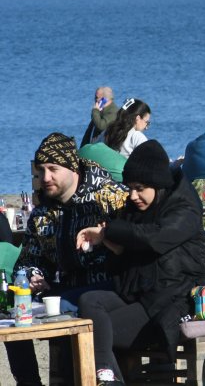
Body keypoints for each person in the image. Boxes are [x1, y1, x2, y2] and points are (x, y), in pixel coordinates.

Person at [76, 140, 205, 386]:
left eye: (139, 188)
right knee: (89, 301)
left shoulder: (184, 209)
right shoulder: (137, 206)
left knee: (90, 334)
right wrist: (114, 249)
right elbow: (125, 259)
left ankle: (108, 379)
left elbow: (154, 238)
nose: (133, 195)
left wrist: (108, 232)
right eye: (129, 188)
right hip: (140, 293)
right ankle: (109, 377)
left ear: (158, 185)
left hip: (173, 299)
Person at [8, 133, 129, 386]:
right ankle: (28, 382)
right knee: (14, 309)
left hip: (108, 289)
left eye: (53, 169)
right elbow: (26, 260)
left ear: (73, 168)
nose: (45, 177)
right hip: (64, 292)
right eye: (40, 170)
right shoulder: (41, 214)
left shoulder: (109, 198)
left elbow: (134, 240)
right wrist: (33, 275)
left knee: (77, 304)